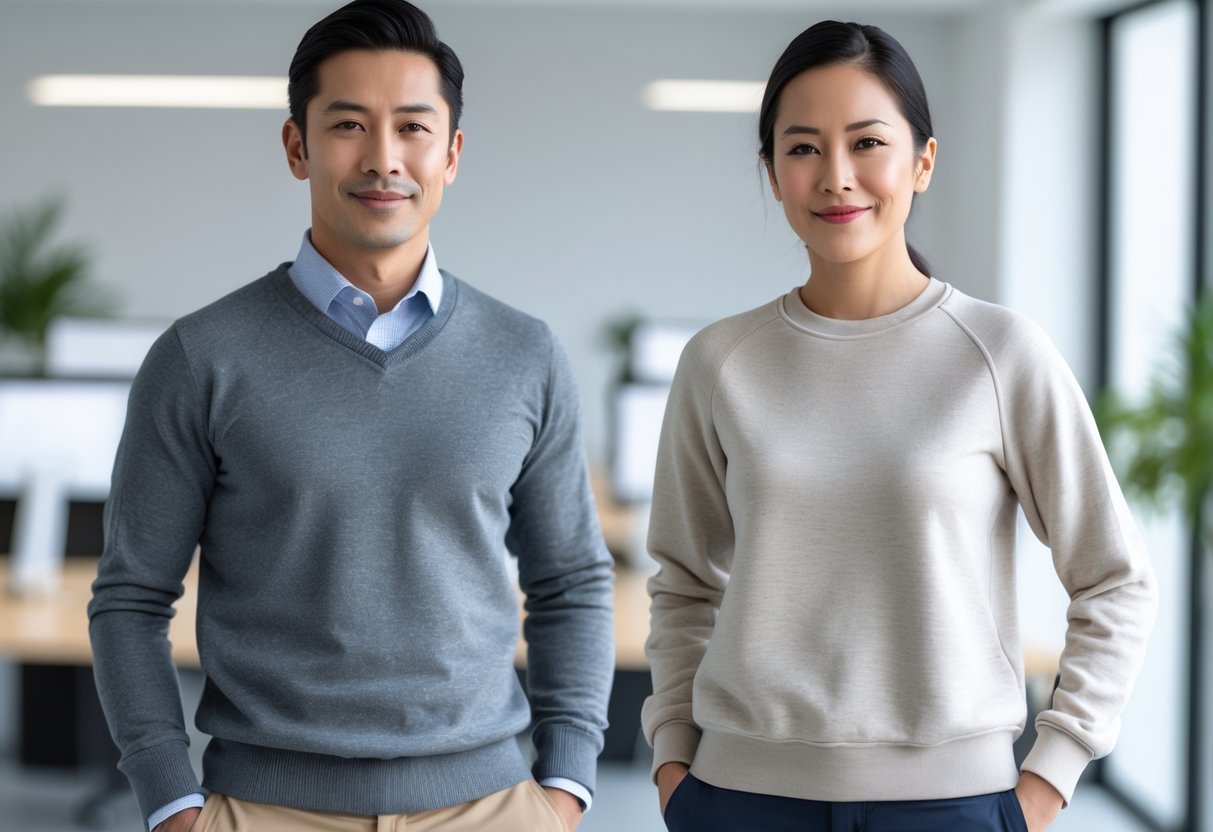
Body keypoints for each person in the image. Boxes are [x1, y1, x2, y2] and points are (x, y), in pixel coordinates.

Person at [88, 2, 614, 830]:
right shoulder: (201, 357)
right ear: (297, 146)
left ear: (452, 154)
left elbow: (572, 581)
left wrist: (566, 789)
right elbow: (130, 597)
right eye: (348, 126)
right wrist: (171, 804)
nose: (382, 159)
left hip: (493, 807)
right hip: (263, 809)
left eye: (412, 127)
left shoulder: (525, 354)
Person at [642, 20, 1157, 832]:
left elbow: (1114, 580)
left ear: (922, 160)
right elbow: (683, 586)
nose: (835, 177)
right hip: (739, 797)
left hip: (950, 804)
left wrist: (1047, 779)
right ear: (771, 173)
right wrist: (673, 760)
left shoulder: (999, 354)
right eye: (802, 147)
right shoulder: (719, 361)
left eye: (867, 143)